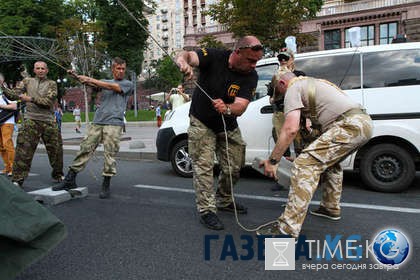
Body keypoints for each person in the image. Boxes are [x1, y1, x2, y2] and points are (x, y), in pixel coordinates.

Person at [257, 70, 373, 238]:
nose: (282, 99)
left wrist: (273, 161)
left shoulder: (293, 88)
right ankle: (329, 207)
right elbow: (314, 137)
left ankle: (287, 229)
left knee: (304, 166)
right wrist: (300, 155)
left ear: (282, 84)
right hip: (362, 123)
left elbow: (290, 129)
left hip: (348, 125)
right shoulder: (314, 84)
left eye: (279, 93)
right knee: (330, 164)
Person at [176, 35, 264, 230]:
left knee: (234, 166)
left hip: (228, 123)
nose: (253, 65)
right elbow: (189, 55)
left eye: (256, 61)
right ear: (237, 52)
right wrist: (183, 62)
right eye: (250, 60)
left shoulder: (251, 76)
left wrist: (227, 108)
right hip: (202, 121)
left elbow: (241, 106)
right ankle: (207, 210)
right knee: (204, 166)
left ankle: (224, 200)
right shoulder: (215, 56)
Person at [53, 57, 133, 199]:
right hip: (98, 121)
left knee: (110, 154)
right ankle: (70, 179)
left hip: (114, 123)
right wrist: (77, 77)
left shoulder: (127, 84)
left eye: (123, 69)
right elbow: (90, 84)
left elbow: (111, 87)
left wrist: (90, 79)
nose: (121, 71)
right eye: (118, 68)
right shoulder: (105, 82)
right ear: (112, 69)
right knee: (85, 148)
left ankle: (106, 184)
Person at [0, 61, 64, 187]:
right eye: (37, 68)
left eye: (42, 68)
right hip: (30, 119)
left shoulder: (51, 84)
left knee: (56, 150)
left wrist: (30, 99)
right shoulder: (27, 82)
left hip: (48, 121)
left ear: (47, 70)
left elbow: (48, 101)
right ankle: (17, 179)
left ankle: (58, 175)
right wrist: (3, 86)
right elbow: (14, 95)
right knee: (23, 151)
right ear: (34, 70)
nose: (40, 70)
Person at [0, 73, 17, 177]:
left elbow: (14, 106)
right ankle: (7, 167)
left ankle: (13, 168)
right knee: (1, 146)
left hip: (7, 121)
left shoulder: (7, 92)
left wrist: (1, 105)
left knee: (7, 144)